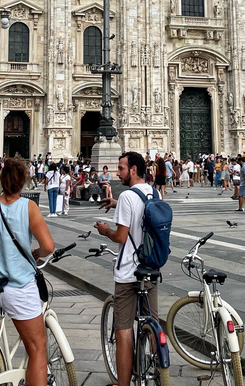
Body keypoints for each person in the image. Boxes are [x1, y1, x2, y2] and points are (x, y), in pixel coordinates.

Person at [0, 158, 55, 386]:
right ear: (23, 183)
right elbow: (48, 246)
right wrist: (36, 252)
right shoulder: (28, 207)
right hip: (18, 286)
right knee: (37, 348)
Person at [95, 152, 158, 386]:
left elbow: (121, 237)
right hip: (150, 267)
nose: (117, 173)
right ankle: (160, 372)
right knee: (153, 324)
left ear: (133, 170)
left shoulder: (127, 196)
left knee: (123, 331)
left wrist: (105, 231)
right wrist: (115, 203)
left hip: (129, 272)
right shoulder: (154, 192)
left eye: (120, 168)